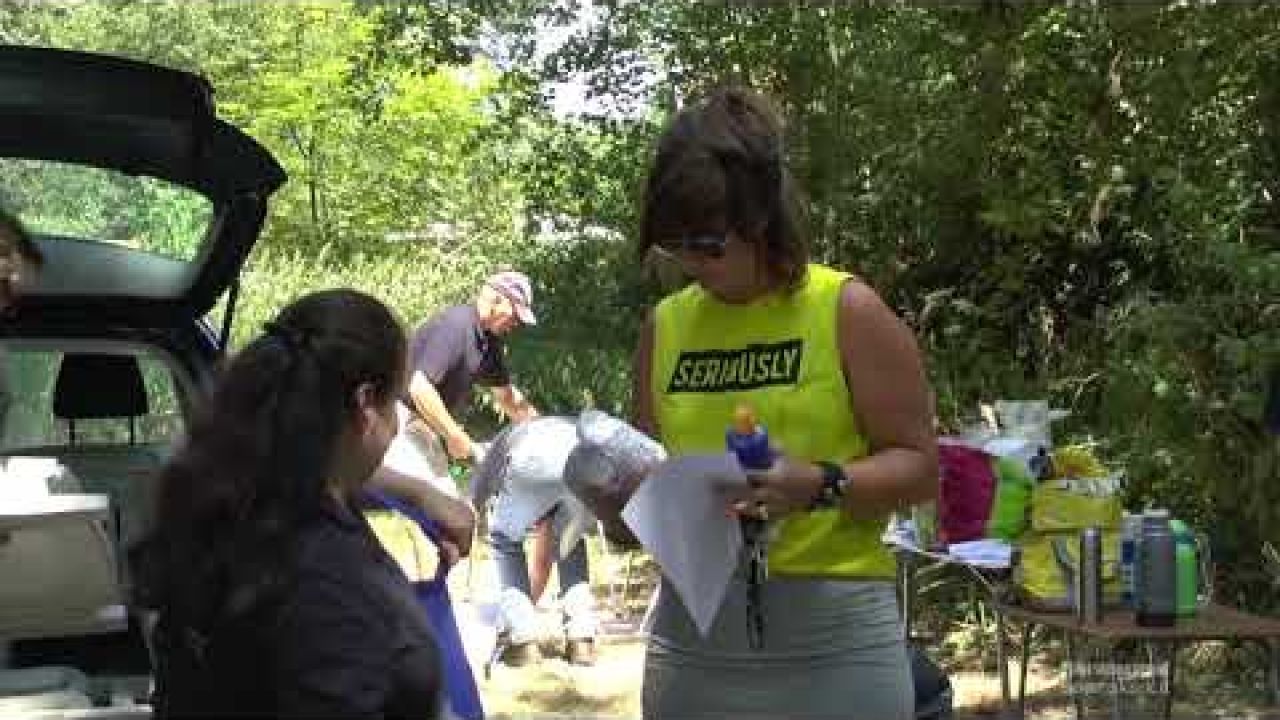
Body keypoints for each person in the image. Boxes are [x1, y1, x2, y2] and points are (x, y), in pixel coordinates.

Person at [616, 87, 938, 719]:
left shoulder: (844, 309)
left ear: (761, 217)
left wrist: (817, 483)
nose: (691, 264)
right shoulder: (666, 325)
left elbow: (921, 469)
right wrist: (614, 502)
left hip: (835, 645)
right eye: (674, 246)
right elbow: (647, 480)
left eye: (709, 246)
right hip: (694, 643)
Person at [131, 289, 445, 719]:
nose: (396, 426)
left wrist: (422, 493)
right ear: (366, 404)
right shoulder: (328, 584)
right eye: (395, 404)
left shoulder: (227, 505)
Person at [469, 415, 604, 667]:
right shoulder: (542, 427)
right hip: (581, 461)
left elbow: (475, 496)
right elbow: (544, 557)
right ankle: (581, 639)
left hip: (532, 464)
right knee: (570, 542)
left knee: (504, 540)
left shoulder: (501, 444)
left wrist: (469, 516)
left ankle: (522, 642)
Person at [401, 270, 540, 481]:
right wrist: (454, 435)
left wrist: (545, 432)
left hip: (420, 424)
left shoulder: (488, 341)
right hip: (395, 420)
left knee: (445, 505)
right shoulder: (456, 325)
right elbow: (420, 387)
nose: (516, 324)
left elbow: (508, 399)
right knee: (442, 505)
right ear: (496, 299)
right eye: (515, 315)